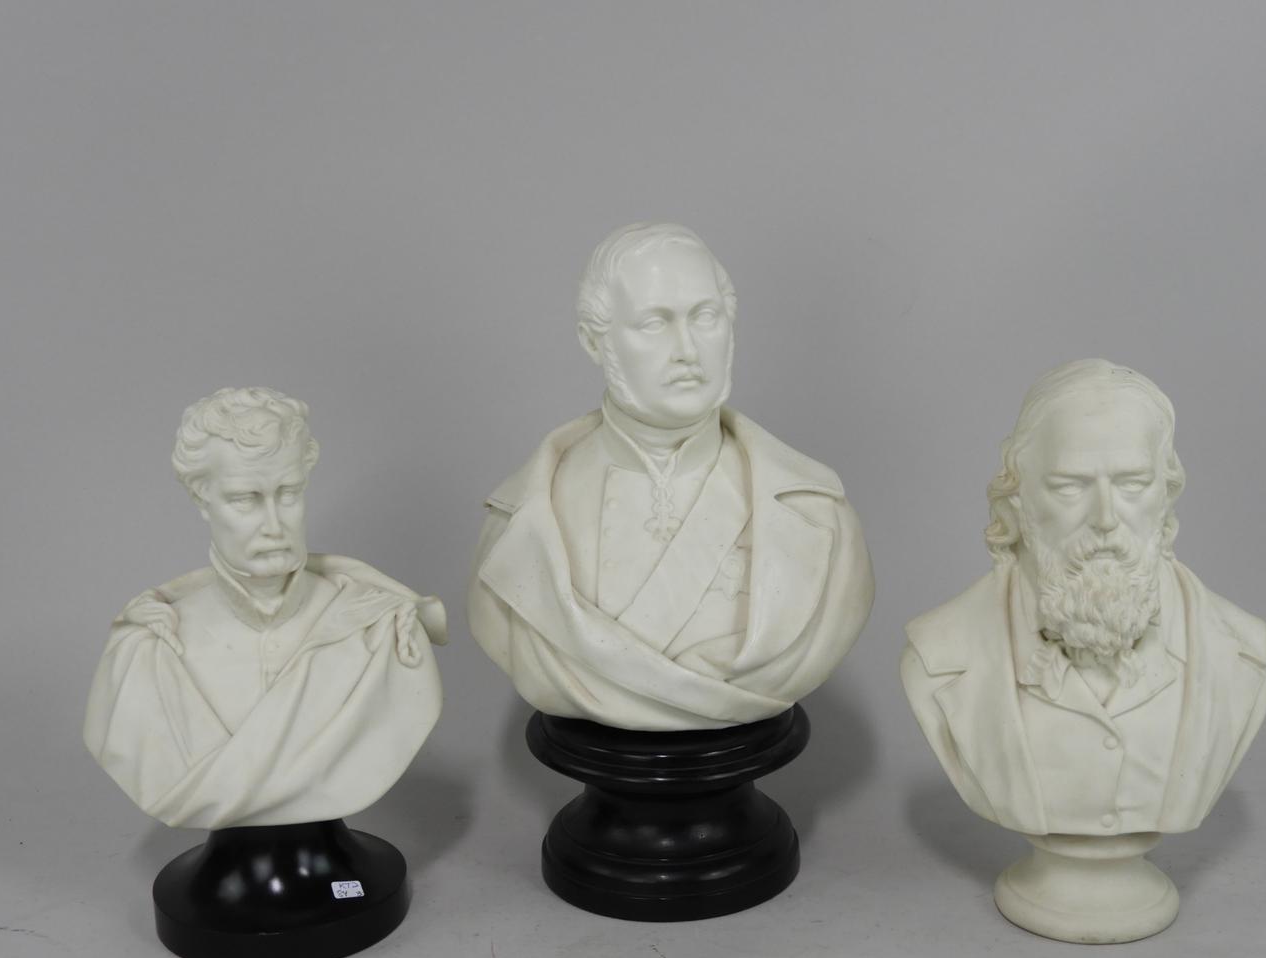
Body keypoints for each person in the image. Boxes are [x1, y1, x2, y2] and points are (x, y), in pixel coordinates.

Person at [469, 222, 873, 731]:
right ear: (594, 341)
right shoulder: (520, 523)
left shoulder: (819, 513)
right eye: (654, 324)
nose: (687, 349)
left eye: (705, 317)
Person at [901, 359, 1266, 835]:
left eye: (1132, 484)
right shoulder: (939, 657)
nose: (1105, 518)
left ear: (1165, 497)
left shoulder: (1237, 655)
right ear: (1018, 499)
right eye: (1070, 486)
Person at [84, 387, 446, 828]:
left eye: (289, 493)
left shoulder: (384, 633)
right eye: (245, 499)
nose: (274, 525)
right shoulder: (148, 652)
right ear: (202, 500)